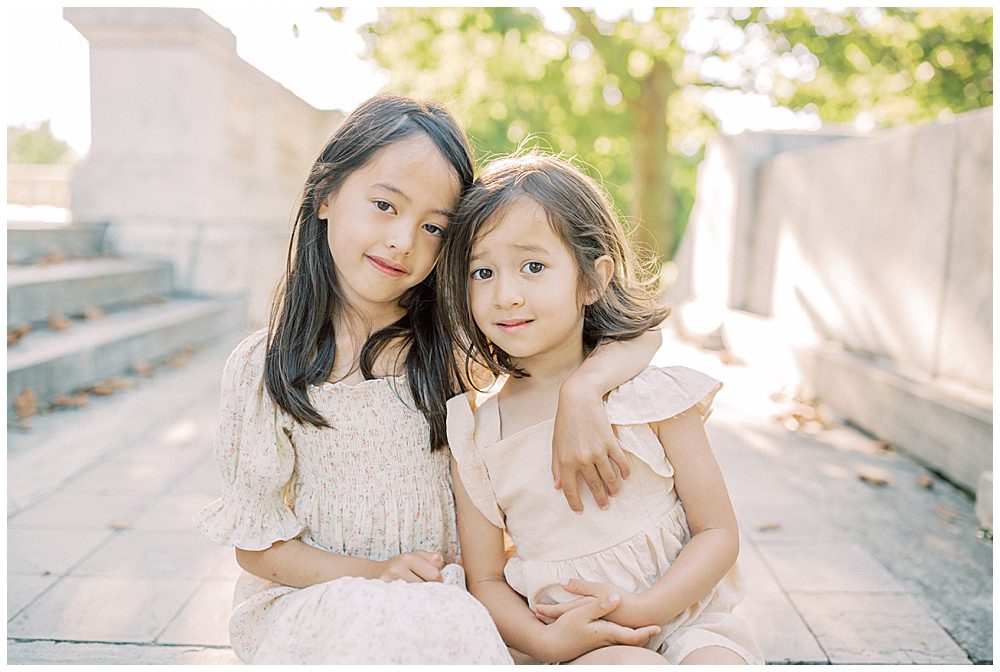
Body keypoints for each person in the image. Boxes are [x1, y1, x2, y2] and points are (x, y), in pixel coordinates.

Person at [192, 96, 662, 664]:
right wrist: (372, 576)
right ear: (325, 195)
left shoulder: (452, 347)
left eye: (434, 227)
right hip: (313, 600)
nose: (402, 240)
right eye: (385, 205)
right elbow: (258, 547)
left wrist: (582, 390)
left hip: (443, 600)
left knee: (433, 629)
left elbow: (636, 330)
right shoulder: (265, 367)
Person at [440, 152, 765, 665]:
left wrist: (641, 610)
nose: (505, 294)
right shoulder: (476, 434)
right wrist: (543, 639)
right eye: (482, 271)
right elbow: (484, 578)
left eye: (533, 266)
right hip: (572, 639)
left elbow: (718, 532)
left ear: (592, 280)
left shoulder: (649, 396)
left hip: (687, 619)